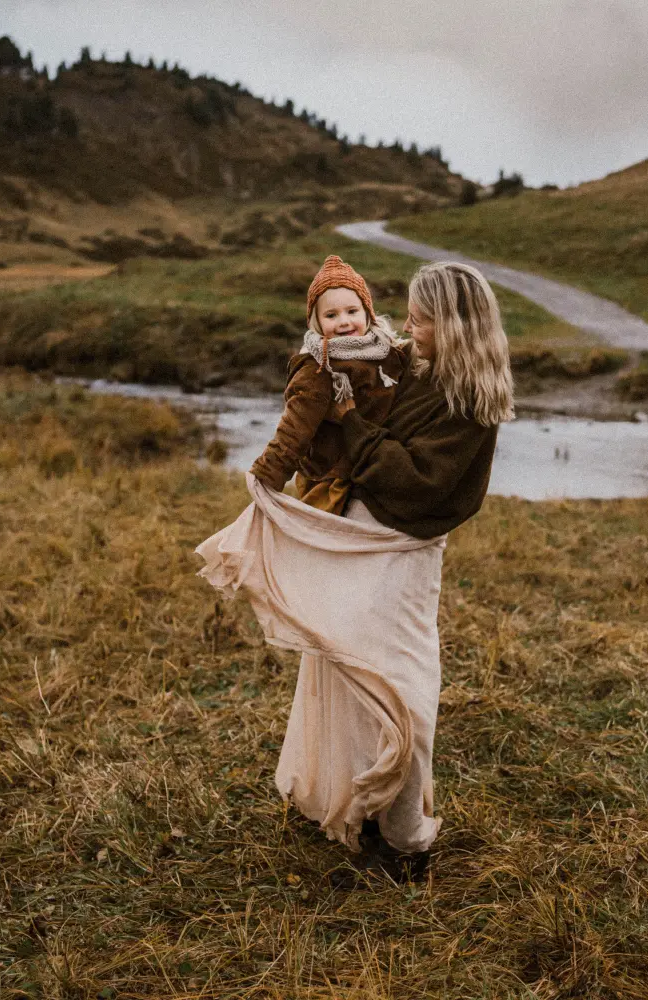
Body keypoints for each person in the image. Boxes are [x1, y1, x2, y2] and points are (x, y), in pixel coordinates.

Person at [197, 260, 513, 880]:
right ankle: (357, 800)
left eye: (419, 320)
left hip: (403, 549)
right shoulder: (412, 364)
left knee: (399, 684)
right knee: (344, 662)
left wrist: (350, 424)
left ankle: (404, 840)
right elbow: (347, 377)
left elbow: (418, 480)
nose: (407, 329)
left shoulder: (470, 402)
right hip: (363, 530)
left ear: (450, 325)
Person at [249, 255, 407, 514]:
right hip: (333, 479)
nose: (344, 321)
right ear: (317, 322)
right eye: (331, 315)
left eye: (352, 311)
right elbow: (294, 426)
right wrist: (269, 472)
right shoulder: (320, 367)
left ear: (367, 312)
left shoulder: (386, 351)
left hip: (379, 466)